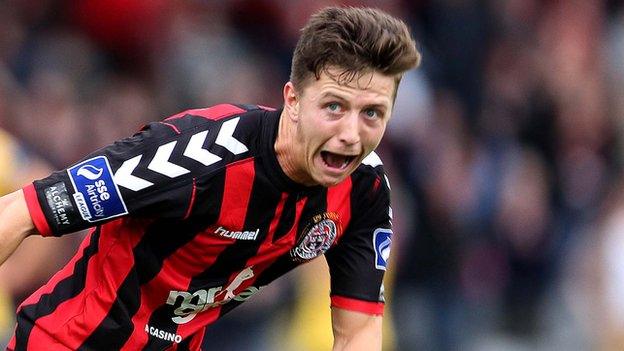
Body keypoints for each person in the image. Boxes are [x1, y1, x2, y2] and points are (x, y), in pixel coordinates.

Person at [0, 6, 420, 350]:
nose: (351, 135)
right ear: (292, 99)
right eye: (333, 107)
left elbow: (359, 331)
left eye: (372, 114)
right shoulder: (195, 155)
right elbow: (21, 211)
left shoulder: (364, 190)